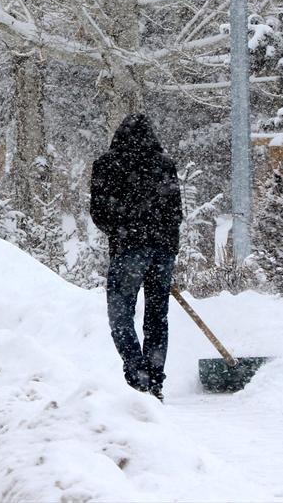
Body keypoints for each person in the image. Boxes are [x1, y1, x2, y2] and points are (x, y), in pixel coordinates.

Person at [90, 114, 183, 401]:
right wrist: (164, 242)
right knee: (157, 317)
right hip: (162, 250)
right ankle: (155, 380)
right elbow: (175, 212)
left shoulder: (106, 165)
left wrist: (124, 230)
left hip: (129, 249)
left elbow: (100, 213)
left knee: (120, 315)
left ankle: (137, 373)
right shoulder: (164, 165)